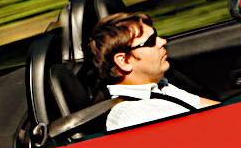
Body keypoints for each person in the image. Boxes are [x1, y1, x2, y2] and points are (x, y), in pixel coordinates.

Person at [88, 11, 216, 131]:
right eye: (150, 41)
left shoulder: (159, 87)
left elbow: (218, 111)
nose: (162, 41)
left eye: (156, 35)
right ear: (124, 61)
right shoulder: (132, 116)